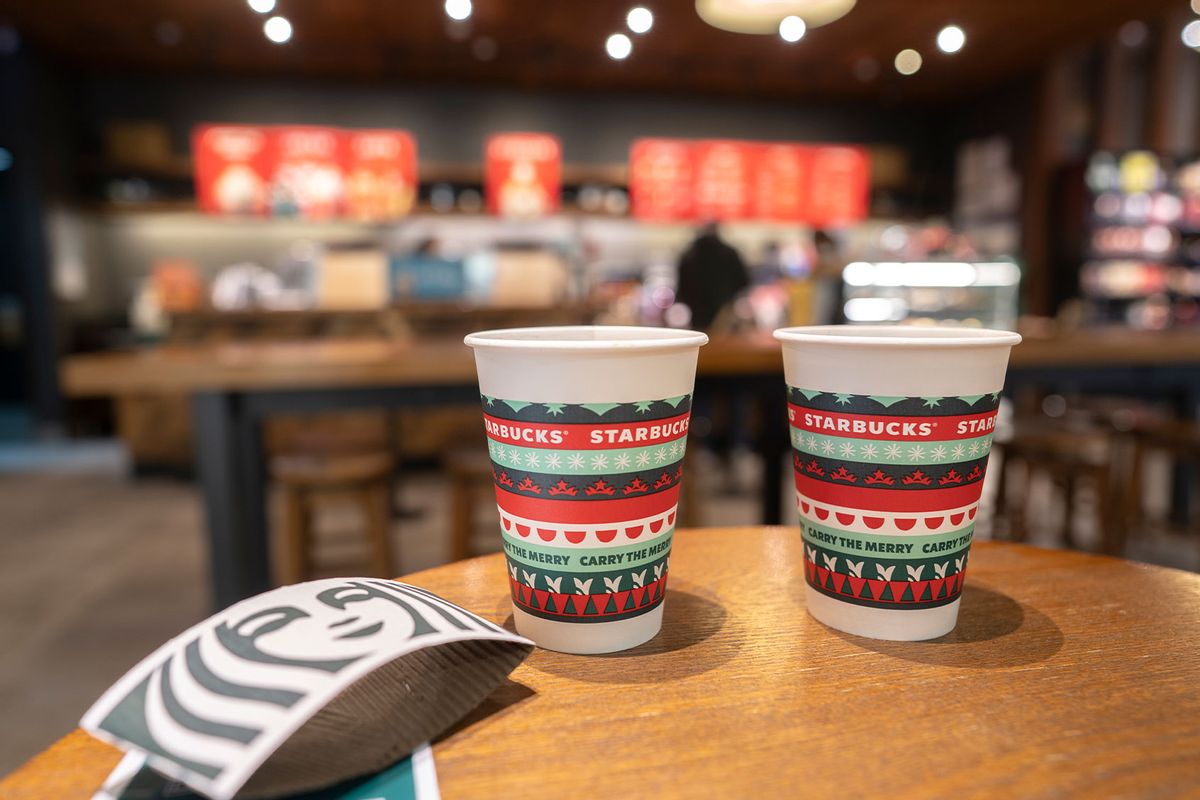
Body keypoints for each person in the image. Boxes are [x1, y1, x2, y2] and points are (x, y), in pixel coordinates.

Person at [674, 222, 750, 331]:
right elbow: (743, 281)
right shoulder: (730, 253)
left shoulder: (689, 255)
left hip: (696, 312)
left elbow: (681, 287)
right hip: (724, 312)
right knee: (723, 344)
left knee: (700, 340)